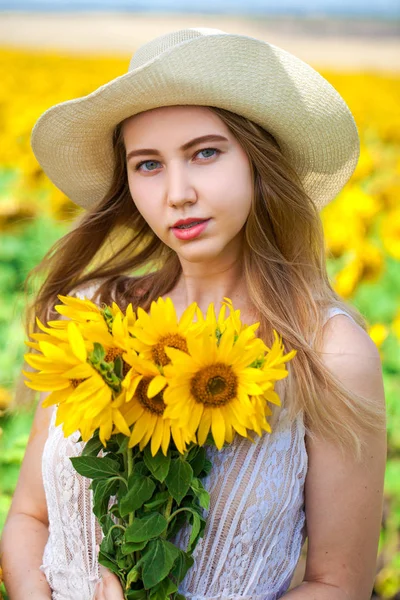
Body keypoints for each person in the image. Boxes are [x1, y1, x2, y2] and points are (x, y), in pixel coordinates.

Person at [0, 27, 386, 600]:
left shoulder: (327, 352)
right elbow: (30, 516)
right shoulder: (94, 315)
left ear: (260, 162)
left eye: (205, 153)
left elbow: (338, 584)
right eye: (148, 164)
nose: (177, 192)